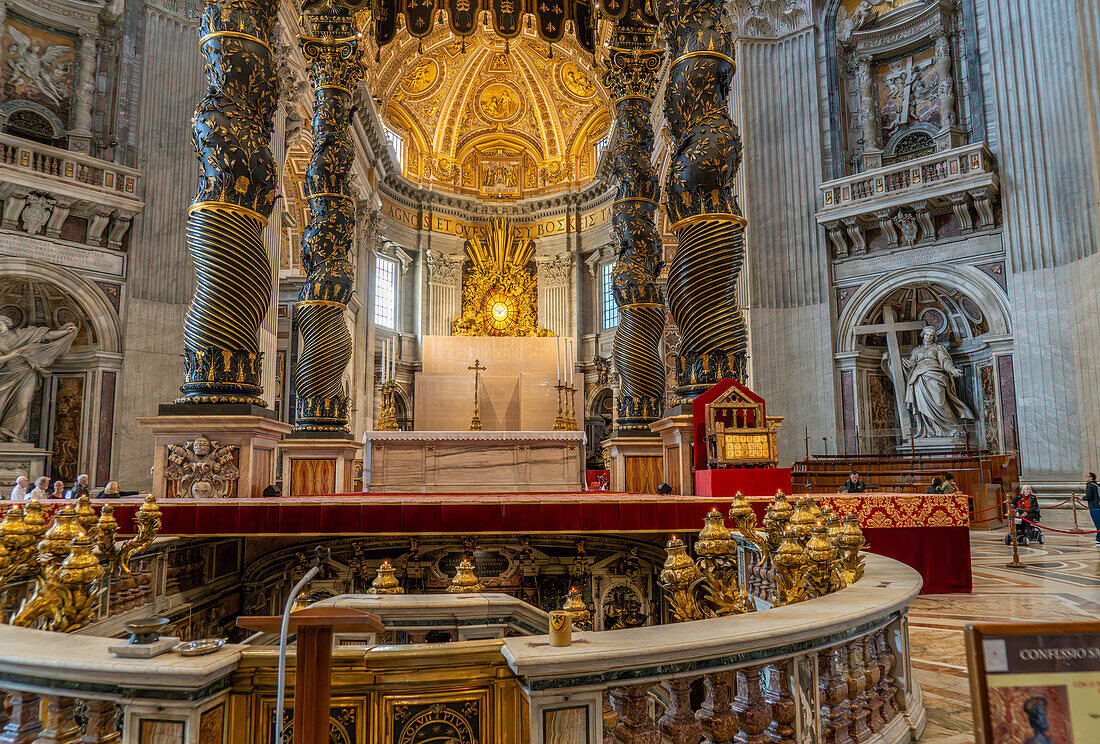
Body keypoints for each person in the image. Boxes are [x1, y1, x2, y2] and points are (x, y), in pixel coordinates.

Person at [1085, 473, 1100, 546]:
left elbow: (1089, 497)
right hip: (1098, 506)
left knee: (1098, 524)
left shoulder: (1089, 485)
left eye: (1087, 476)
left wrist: (1082, 498)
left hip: (1094, 507)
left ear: (1091, 478)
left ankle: (1098, 539)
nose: (1085, 478)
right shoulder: (1097, 485)